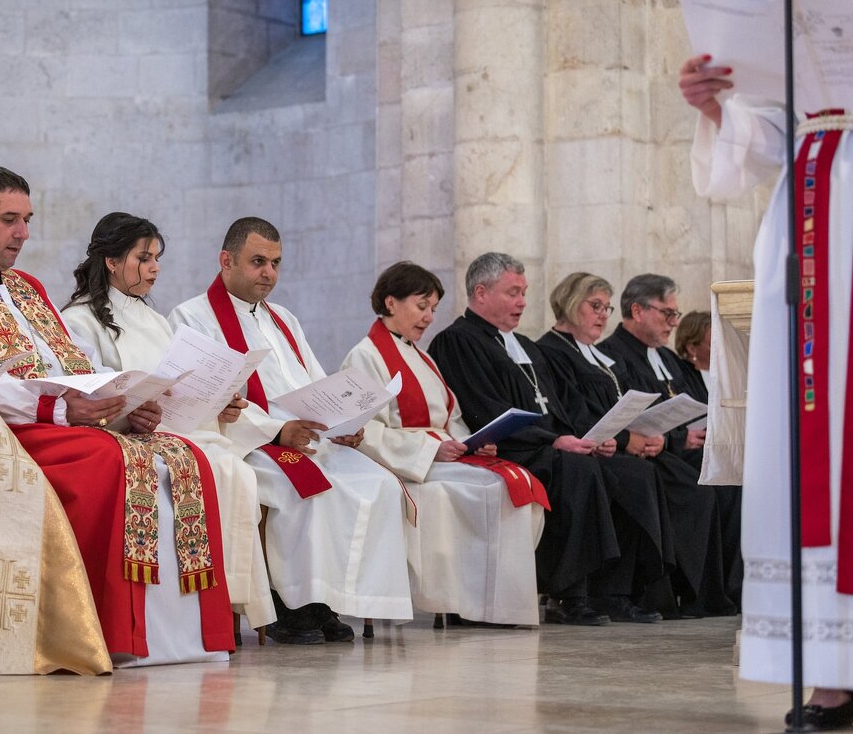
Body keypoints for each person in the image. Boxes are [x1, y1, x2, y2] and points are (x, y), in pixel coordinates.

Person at [0, 166, 233, 667]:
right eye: (10, 220)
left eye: (27, 220)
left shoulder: (27, 286)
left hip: (56, 420)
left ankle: (179, 640)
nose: (23, 233)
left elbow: (72, 362)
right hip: (6, 428)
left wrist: (123, 399)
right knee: (105, 460)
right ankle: (104, 633)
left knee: (184, 456)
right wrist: (59, 407)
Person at [679, 0, 853, 723]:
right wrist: (720, 106)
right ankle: (832, 664)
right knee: (809, 435)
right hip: (815, 209)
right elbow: (777, 129)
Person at [169, 217, 413, 643]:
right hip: (246, 442)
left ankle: (329, 601)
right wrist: (277, 431)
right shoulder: (192, 317)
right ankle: (290, 605)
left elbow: (318, 384)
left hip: (305, 438)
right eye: (258, 261)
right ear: (226, 261)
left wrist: (345, 423)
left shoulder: (284, 319)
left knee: (377, 484)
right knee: (305, 488)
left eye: (276, 263)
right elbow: (206, 400)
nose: (269, 273)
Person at [59, 212, 276, 634]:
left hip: (174, 429)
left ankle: (221, 604)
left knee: (235, 470)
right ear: (112, 261)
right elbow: (89, 394)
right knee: (220, 468)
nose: (155, 267)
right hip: (127, 437)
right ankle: (198, 609)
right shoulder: (79, 319)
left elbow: (180, 384)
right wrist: (127, 413)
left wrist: (219, 406)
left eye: (157, 257)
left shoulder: (157, 320)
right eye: (144, 258)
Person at [428, 252, 670, 625]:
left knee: (630, 472)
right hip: (508, 448)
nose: (523, 302)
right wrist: (554, 441)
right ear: (480, 292)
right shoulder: (457, 341)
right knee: (577, 471)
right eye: (513, 293)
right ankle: (567, 593)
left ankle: (614, 590)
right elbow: (483, 408)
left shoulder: (524, 344)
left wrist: (592, 438)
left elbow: (560, 406)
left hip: (548, 444)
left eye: (524, 292)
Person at [340, 261, 546, 626]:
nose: (430, 317)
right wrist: (431, 450)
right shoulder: (366, 356)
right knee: (491, 491)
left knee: (517, 485)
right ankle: (468, 605)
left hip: (440, 457)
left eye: (434, 309)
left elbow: (450, 419)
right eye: (422, 306)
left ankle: (492, 604)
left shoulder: (423, 357)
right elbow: (363, 431)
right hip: (407, 466)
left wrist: (472, 443)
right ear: (391, 303)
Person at [537, 273, 736, 618]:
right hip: (596, 449)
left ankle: (695, 593)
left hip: (627, 446)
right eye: (595, 306)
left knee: (699, 488)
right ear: (570, 304)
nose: (602, 315)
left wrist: (653, 437)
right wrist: (630, 439)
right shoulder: (550, 351)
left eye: (606, 307)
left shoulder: (596, 355)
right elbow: (573, 412)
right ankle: (627, 593)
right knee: (644, 479)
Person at [598, 274, 742, 607]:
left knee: (734, 480)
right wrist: (677, 439)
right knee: (704, 490)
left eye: (675, 315)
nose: (673, 323)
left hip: (676, 449)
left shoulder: (665, 358)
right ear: (637, 310)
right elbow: (627, 416)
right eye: (667, 314)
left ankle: (727, 590)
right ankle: (693, 593)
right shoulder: (613, 356)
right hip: (646, 453)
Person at [674, 310, 712, 403]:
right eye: (712, 344)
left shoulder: (726, 371)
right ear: (692, 349)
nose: (720, 349)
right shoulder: (681, 378)